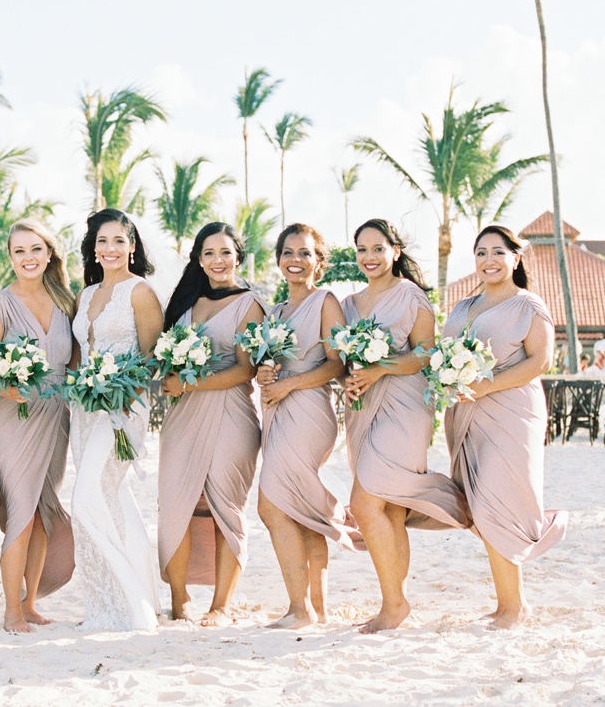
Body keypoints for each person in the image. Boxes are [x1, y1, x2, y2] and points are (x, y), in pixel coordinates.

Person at [341, 219, 470, 633]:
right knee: (388, 507)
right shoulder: (348, 303)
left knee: (365, 502)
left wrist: (379, 370)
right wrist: (352, 377)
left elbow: (426, 354)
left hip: (405, 405)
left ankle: (394, 604)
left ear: (395, 251)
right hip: (363, 405)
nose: (369, 257)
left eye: (378, 248)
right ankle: (393, 603)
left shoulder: (411, 296)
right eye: (362, 249)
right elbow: (343, 360)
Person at [444, 225, 567, 630]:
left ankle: (515, 606)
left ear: (516, 257)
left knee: (501, 499)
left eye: (498, 251)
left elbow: (539, 362)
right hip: (465, 413)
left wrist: (486, 385)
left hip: (513, 411)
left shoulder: (529, 305)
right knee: (480, 505)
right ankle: (505, 603)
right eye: (481, 253)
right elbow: (444, 355)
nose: (489, 260)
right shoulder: (462, 307)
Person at [158, 222, 265, 625]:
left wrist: (189, 381)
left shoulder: (249, 303)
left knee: (226, 508)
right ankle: (179, 599)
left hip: (230, 415)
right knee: (175, 505)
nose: (217, 261)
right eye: (208, 253)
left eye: (225, 252)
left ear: (238, 255)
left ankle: (221, 605)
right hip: (182, 418)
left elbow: (245, 371)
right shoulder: (186, 303)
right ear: (198, 259)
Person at [257, 223, 358, 629]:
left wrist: (289, 384)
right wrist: (265, 375)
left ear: (320, 262)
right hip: (277, 409)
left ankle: (299, 608)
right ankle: (316, 608)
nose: (295, 260)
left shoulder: (326, 302)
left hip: (308, 411)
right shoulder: (277, 312)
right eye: (288, 252)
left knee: (271, 505)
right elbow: (271, 361)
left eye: (304, 253)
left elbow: (337, 364)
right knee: (298, 508)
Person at [0, 220, 76, 633]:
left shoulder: (66, 302)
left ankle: (30, 601)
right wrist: (9, 387)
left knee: (42, 510)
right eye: (19, 251)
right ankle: (10, 611)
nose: (28, 258)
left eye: (36, 249)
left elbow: (72, 361)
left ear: (50, 254)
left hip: (56, 415)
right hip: (15, 416)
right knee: (20, 510)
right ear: (10, 258)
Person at [69, 208, 164, 631]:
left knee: (87, 494)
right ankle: (105, 605)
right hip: (84, 408)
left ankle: (131, 601)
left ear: (132, 246)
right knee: (110, 497)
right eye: (102, 241)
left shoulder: (140, 293)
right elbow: (78, 356)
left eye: (119, 241)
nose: (110, 249)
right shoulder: (85, 295)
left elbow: (151, 357)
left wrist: (120, 390)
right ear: (92, 247)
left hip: (124, 407)